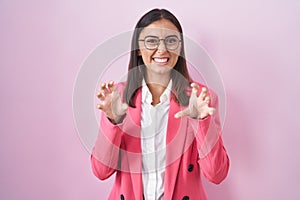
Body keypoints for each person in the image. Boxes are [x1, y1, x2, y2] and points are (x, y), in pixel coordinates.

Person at [91, 8, 229, 200]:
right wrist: (112, 122)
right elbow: (101, 171)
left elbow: (216, 174)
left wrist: (201, 121)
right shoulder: (119, 98)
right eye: (152, 41)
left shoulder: (201, 99)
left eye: (171, 40)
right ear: (138, 48)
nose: (162, 49)